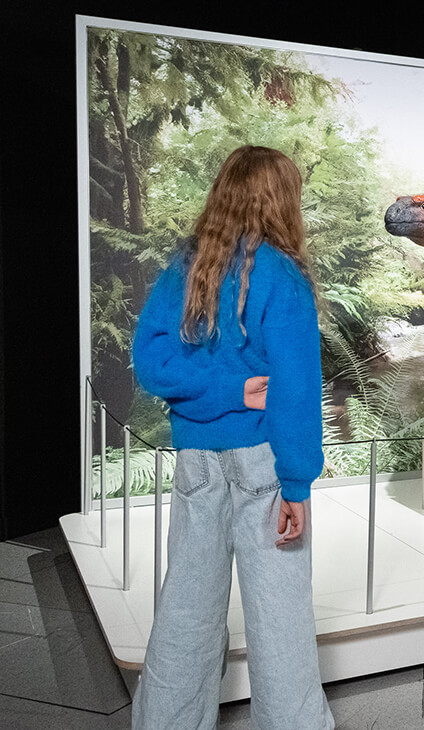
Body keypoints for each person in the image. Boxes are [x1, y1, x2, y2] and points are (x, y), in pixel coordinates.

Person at [130, 145, 335, 729]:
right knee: (280, 618)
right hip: (264, 464)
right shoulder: (284, 276)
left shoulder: (186, 267)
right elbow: (295, 390)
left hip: (197, 459)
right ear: (282, 201)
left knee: (186, 610)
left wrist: (216, 392)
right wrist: (297, 481)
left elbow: (152, 363)